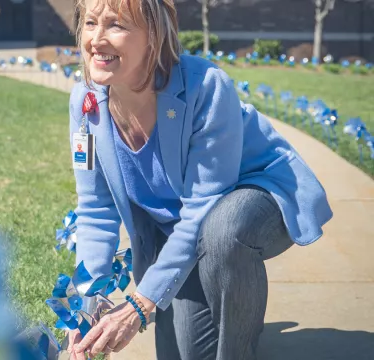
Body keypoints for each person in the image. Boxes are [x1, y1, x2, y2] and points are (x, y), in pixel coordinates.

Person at [67, 0, 333, 359]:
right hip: (187, 225)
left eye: (116, 25)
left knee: (224, 230)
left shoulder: (206, 86)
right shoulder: (86, 102)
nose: (96, 39)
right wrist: (87, 305)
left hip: (257, 194)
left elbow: (203, 208)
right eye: (91, 23)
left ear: (154, 36)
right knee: (187, 353)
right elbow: (96, 209)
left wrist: (138, 304)